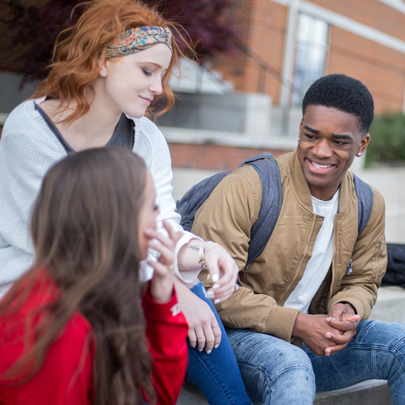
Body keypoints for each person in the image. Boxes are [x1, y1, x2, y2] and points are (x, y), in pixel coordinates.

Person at [0, 0, 250, 403]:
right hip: (42, 288)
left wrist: (202, 252)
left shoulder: (147, 138)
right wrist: (170, 290)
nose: (158, 88)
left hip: (123, 279)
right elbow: (63, 246)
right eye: (147, 71)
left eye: (162, 75)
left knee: (191, 300)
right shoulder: (29, 129)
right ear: (101, 60)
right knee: (178, 297)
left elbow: (162, 223)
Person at [191, 74, 405, 404]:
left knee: (401, 345)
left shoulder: (368, 202)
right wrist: (298, 323)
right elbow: (211, 290)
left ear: (362, 145)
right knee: (291, 364)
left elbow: (364, 279)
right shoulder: (248, 187)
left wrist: (347, 308)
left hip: (313, 341)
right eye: (311, 135)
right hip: (232, 341)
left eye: (339, 142)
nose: (321, 151)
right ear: (300, 128)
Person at [0, 148, 188, 405]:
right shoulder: (59, 328)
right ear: (117, 217)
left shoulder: (96, 293)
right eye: (153, 206)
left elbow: (153, 396)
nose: (159, 218)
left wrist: (163, 298)